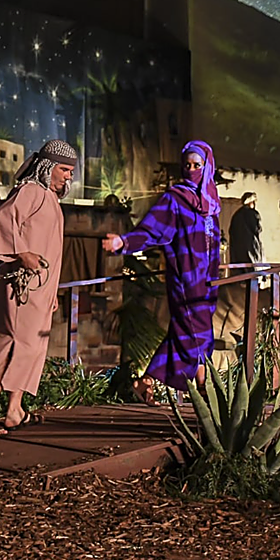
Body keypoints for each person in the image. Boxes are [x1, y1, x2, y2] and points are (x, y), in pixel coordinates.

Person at [0, 140, 77, 433]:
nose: (69, 176)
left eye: (70, 171)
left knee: (31, 346)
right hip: (21, 286)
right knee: (9, 341)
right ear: (49, 167)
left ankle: (14, 408)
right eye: (65, 170)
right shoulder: (30, 191)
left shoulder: (51, 199)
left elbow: (52, 251)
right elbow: (5, 219)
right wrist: (21, 253)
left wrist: (52, 291)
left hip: (41, 290)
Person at [102, 140, 221, 403]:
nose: (191, 170)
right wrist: (124, 242)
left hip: (208, 282)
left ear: (207, 167)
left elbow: (213, 245)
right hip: (186, 281)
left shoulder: (211, 203)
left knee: (190, 333)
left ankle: (146, 382)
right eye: (187, 165)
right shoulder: (175, 199)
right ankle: (204, 389)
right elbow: (151, 230)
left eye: (197, 165)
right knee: (195, 333)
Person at [228, 192, 264, 267]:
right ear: (251, 202)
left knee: (239, 276)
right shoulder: (253, 214)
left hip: (237, 255)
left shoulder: (236, 215)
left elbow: (231, 231)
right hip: (250, 252)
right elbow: (257, 229)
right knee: (252, 275)